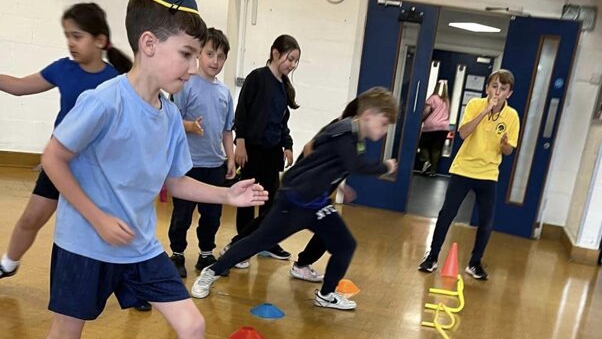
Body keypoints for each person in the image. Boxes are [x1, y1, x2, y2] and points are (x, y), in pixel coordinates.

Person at [0, 0, 267, 339]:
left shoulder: (168, 116)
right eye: (186, 54)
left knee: (192, 324)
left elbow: (175, 180)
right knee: (65, 337)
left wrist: (227, 195)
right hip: (85, 245)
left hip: (140, 247)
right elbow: (54, 159)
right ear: (149, 44)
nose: (192, 67)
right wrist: (97, 218)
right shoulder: (105, 101)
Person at [190, 87, 399, 310]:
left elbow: (330, 158)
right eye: (383, 123)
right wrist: (384, 167)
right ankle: (211, 272)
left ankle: (326, 295)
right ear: (368, 115)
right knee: (259, 240)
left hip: (317, 203)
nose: (384, 131)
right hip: (294, 201)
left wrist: (334, 182)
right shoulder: (345, 131)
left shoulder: (355, 136)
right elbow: (354, 163)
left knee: (345, 245)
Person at [0, 3, 132, 278]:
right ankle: (8, 264)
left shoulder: (117, 80)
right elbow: (19, 86)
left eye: (77, 36)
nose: (71, 42)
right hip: (60, 164)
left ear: (100, 40)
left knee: (105, 228)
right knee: (30, 218)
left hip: (97, 170)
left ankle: (124, 278)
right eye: (68, 35)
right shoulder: (63, 69)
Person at [418, 70, 519, 281]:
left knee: (486, 221)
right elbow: (463, 134)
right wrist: (485, 112)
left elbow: (509, 150)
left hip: (488, 173)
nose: (497, 92)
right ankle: (432, 256)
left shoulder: (512, 116)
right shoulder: (475, 105)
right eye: (494, 86)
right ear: (487, 88)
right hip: (463, 169)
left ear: (509, 93)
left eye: (503, 89)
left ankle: (475, 263)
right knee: (447, 213)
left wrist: (504, 145)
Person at [167, 27, 236, 278]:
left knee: (212, 215)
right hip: (188, 164)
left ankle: (206, 253)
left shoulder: (225, 93)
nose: (215, 61)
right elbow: (171, 119)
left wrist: (230, 158)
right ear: (199, 54)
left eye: (221, 56)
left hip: (214, 165)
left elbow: (227, 131)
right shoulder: (186, 84)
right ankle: (177, 253)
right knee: (182, 214)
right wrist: (189, 126)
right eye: (210, 54)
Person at [228, 34, 300, 263]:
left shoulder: (283, 88)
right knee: (248, 198)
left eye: (296, 61)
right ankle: (242, 243)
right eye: (290, 59)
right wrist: (240, 142)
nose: (292, 65)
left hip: (272, 152)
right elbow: (242, 112)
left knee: (270, 200)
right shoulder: (257, 78)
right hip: (252, 150)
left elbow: (282, 122)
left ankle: (266, 242)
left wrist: (287, 145)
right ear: (275, 53)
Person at [417, 80, 450, 177]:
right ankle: (433, 171)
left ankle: (426, 161)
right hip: (443, 127)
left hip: (431, 126)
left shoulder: (433, 98)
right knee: (436, 149)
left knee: (422, 145)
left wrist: (420, 120)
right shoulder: (447, 100)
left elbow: (427, 111)